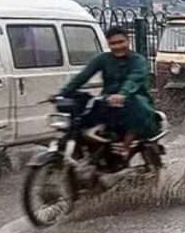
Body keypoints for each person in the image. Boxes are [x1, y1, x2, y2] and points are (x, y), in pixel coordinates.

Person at [62, 26, 159, 157]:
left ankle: (125, 147)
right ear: (108, 44)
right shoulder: (103, 59)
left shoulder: (138, 60)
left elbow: (134, 79)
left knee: (137, 105)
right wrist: (63, 93)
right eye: (113, 43)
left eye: (121, 42)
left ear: (128, 42)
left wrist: (122, 94)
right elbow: (83, 76)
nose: (117, 46)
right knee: (84, 107)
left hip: (135, 98)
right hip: (108, 100)